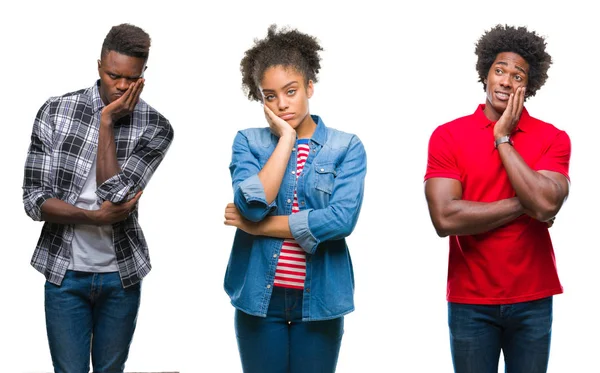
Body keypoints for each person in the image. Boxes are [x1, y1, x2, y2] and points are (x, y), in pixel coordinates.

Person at [22, 23, 174, 373]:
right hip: (64, 273)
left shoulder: (155, 127)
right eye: (112, 75)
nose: (120, 85)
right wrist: (93, 217)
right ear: (99, 66)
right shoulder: (56, 111)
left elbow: (114, 192)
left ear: (143, 75)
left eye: (131, 79)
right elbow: (33, 199)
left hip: (120, 276)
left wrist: (107, 121)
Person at [424, 24, 570, 373]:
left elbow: (547, 204)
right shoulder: (448, 136)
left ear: (528, 85)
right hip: (470, 301)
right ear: (485, 74)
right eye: (499, 70)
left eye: (517, 75)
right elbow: (445, 219)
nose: (505, 80)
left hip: (533, 297)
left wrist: (502, 137)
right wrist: (529, 203)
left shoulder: (553, 138)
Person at [223, 25, 367, 373]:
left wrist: (261, 228)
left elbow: (340, 221)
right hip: (259, 298)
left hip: (319, 301)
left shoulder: (345, 147)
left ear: (309, 87)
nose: (282, 103)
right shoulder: (249, 142)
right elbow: (252, 205)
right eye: (270, 96)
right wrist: (286, 139)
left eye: (290, 91)